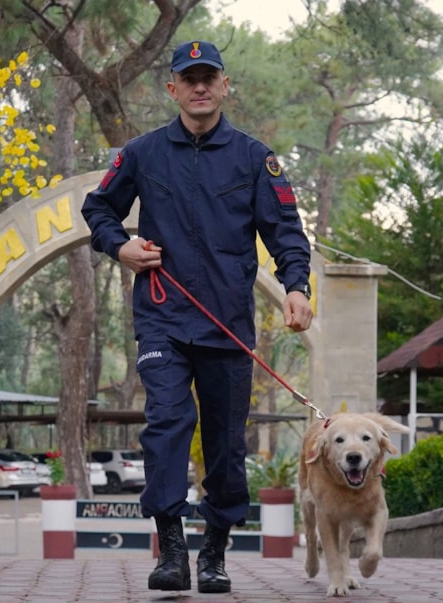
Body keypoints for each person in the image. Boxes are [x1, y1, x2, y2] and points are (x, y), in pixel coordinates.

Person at [81, 39, 313, 594]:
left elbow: (285, 232)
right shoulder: (142, 153)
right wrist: (120, 246)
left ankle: (214, 552)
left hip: (228, 324)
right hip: (162, 317)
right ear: (173, 89)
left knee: (226, 443)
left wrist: (297, 289)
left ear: (225, 85)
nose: (200, 86)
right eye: (189, 78)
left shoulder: (255, 159)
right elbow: (98, 207)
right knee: (166, 422)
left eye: (209, 77)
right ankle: (172, 550)